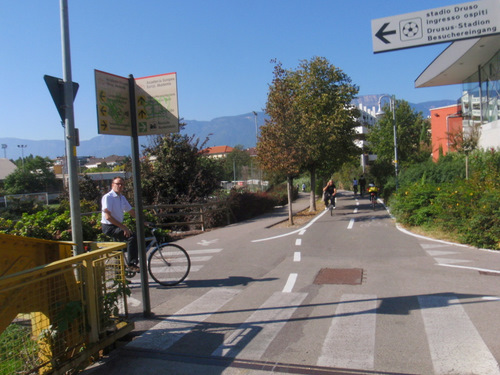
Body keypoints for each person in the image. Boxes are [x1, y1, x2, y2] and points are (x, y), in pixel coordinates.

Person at [101, 177, 139, 272]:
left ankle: (120, 276)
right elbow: (108, 217)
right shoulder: (108, 197)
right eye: (118, 184)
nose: (120, 186)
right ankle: (131, 263)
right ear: (112, 185)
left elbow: (131, 211)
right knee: (132, 237)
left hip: (117, 225)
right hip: (109, 227)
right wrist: (124, 227)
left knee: (118, 252)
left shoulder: (122, 198)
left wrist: (143, 221)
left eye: (122, 184)